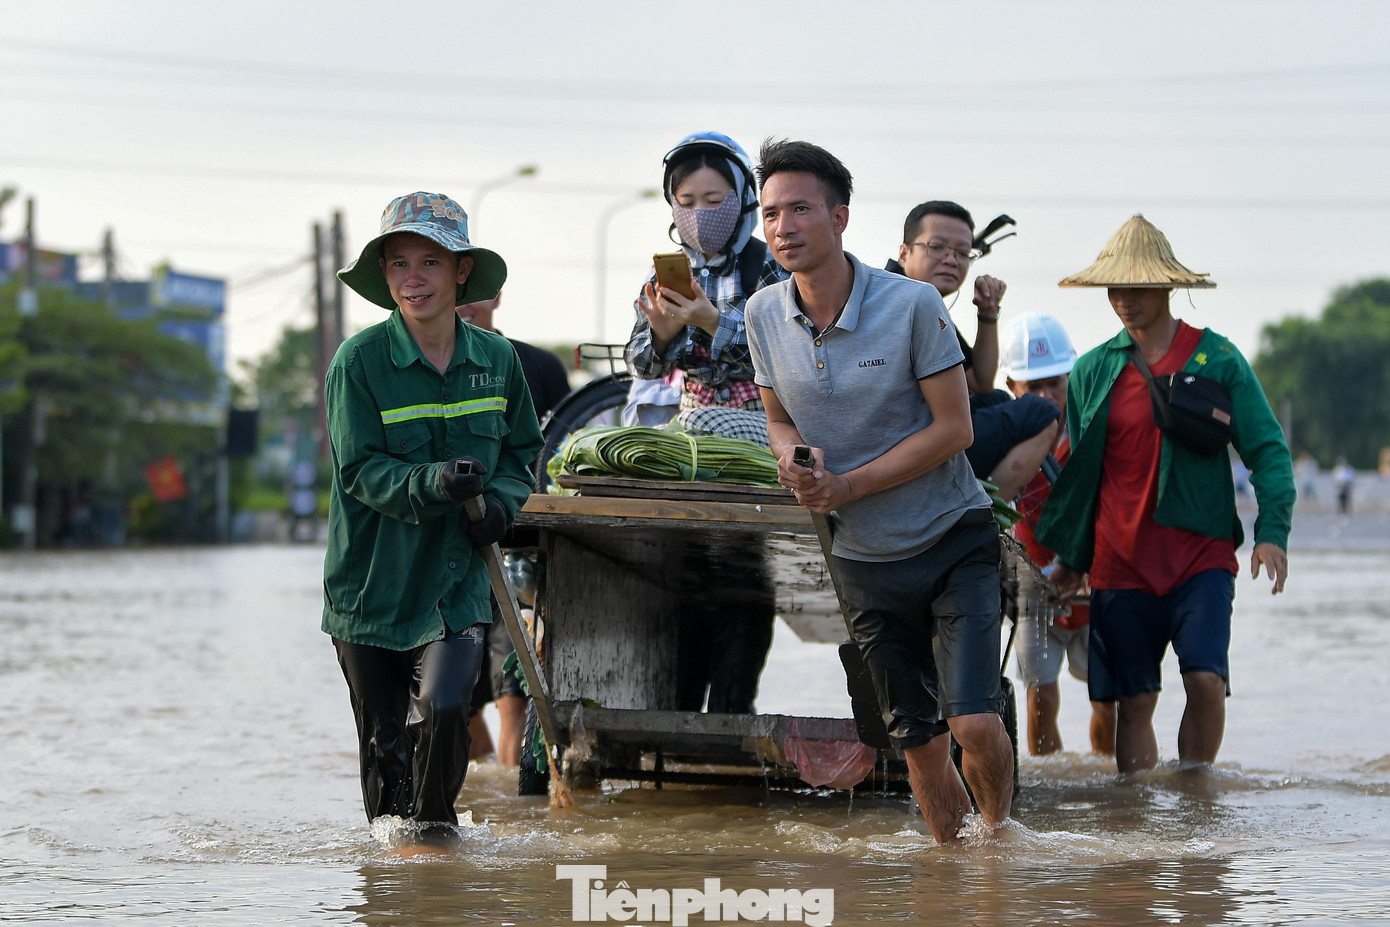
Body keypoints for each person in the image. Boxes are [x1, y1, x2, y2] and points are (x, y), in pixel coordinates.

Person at [745, 139, 1013, 843]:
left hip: (953, 537)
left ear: (840, 217)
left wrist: (848, 482)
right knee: (919, 738)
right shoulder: (763, 314)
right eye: (771, 214)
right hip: (862, 557)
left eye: (800, 209)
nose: (784, 227)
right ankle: (955, 877)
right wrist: (792, 460)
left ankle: (1001, 844)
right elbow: (776, 417)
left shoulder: (913, 304)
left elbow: (956, 428)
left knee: (973, 720)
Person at [1037, 214, 1295, 775]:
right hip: (1120, 564)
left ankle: (1197, 809)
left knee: (1205, 680)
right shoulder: (1092, 371)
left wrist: (1271, 534)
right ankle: (1141, 828)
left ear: (1168, 287)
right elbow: (1084, 479)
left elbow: (1268, 450)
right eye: (1116, 288)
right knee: (1134, 703)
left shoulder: (1219, 359)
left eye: (1138, 287)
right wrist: (1070, 562)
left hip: (1198, 557)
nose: (1124, 300)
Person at [324, 192, 544, 834]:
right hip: (372, 585)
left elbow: (521, 452)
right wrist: (433, 482)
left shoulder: (497, 361)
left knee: (448, 708)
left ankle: (436, 846)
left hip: (455, 580)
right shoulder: (359, 362)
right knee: (385, 748)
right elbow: (359, 471)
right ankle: (399, 880)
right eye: (397, 264)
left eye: (429, 262)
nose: (412, 279)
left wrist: (501, 506)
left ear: (461, 271)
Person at [622, 131, 788, 713]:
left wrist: (715, 321)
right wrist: (665, 334)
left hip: (757, 431)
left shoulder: (773, 272)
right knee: (687, 574)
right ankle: (680, 713)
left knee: (744, 574)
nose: (698, 216)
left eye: (714, 200)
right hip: (692, 433)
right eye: (685, 203)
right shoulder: (662, 276)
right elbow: (641, 359)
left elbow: (786, 354)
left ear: (744, 198)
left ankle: (733, 713)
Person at [456, 290, 571, 766]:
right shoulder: (422, 367)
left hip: (519, 548)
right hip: (450, 546)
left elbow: (568, 445)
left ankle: (511, 811)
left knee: (513, 691)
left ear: (497, 296)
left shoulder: (535, 366)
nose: (465, 304)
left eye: (476, 293)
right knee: (454, 700)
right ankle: (483, 797)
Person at [1000, 312, 1116, 756]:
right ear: (1012, 388)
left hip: (1097, 590)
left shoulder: (1092, 437)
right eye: (1034, 387)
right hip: (1036, 591)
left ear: (1071, 378)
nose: (1047, 396)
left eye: (1055, 384)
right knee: (1039, 700)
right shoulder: (1005, 439)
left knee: (1108, 702)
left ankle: (1110, 789)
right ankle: (1050, 789)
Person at [888, 201, 1059, 499]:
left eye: (963, 253)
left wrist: (988, 312)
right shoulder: (893, 298)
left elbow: (978, 383)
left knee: (996, 399)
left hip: (924, 431)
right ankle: (984, 517)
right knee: (1040, 412)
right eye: (937, 247)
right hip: (904, 443)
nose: (951, 260)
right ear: (905, 253)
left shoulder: (924, 298)